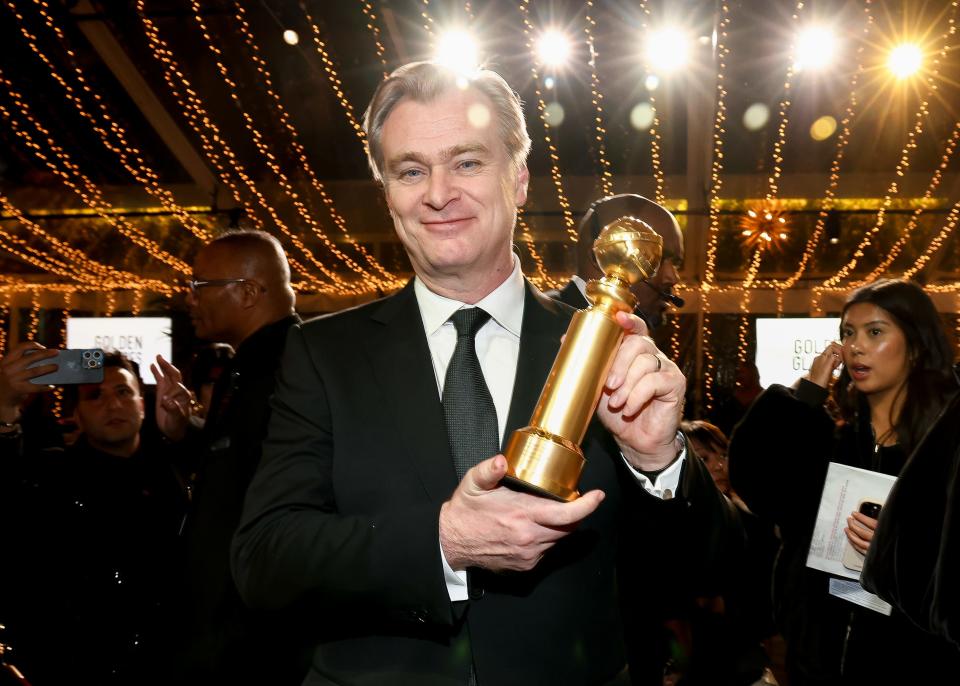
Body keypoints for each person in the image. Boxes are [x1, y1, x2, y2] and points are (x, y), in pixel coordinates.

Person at [230, 61, 738, 686]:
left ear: (519, 180)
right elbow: (263, 560)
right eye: (411, 170)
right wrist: (441, 542)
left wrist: (659, 463)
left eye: (467, 162)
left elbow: (710, 571)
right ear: (387, 192)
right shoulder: (323, 353)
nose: (438, 193)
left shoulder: (607, 349)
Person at [728, 279, 960, 685]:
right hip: (818, 659)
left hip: (912, 661)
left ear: (917, 345)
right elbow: (759, 484)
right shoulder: (829, 440)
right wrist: (808, 396)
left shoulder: (943, 449)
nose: (855, 347)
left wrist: (896, 550)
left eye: (875, 332)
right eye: (847, 333)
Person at [150, 230, 305, 685]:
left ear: (250, 292)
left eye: (200, 285)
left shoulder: (296, 371)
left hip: (253, 641)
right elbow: (240, 464)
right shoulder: (246, 368)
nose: (189, 298)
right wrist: (187, 432)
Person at [0, 347, 185, 685]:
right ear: (78, 415)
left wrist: (182, 432)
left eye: (123, 392)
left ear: (143, 404)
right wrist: (5, 406)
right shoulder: (52, 476)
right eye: (94, 395)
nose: (112, 405)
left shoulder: (173, 474)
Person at [557, 193, 684, 330]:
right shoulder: (536, 322)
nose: (673, 277)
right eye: (656, 259)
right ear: (599, 256)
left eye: (676, 263)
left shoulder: (631, 332)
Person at [710, 361, 764, 437]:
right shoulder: (734, 395)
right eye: (739, 373)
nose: (739, 376)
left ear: (752, 374)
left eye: (743, 372)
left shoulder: (763, 396)